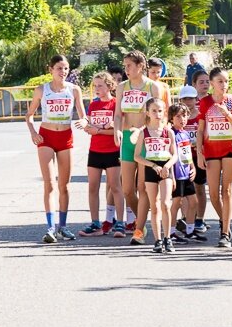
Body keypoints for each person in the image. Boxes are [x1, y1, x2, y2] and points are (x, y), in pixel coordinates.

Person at [27, 55, 88, 243]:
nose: (63, 72)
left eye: (66, 69)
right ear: (51, 69)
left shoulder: (74, 90)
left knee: (64, 185)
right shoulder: (41, 90)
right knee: (50, 183)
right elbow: (29, 116)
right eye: (59, 68)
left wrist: (83, 121)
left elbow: (83, 115)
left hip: (65, 137)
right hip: (46, 136)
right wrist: (33, 133)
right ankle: (50, 227)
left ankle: (63, 226)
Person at [114, 51, 163, 242]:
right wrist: (118, 130)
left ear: (140, 66)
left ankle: (139, 230)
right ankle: (142, 220)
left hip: (145, 138)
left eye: (129, 66)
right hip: (127, 138)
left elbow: (159, 116)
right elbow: (118, 114)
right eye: (125, 65)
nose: (126, 69)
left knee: (142, 187)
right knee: (127, 189)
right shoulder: (121, 87)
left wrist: (142, 130)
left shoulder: (153, 87)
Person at [197, 68, 232, 247]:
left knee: (227, 191)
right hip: (211, 150)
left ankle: (225, 233)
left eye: (226, 81)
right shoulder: (205, 102)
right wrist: (199, 153)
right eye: (220, 81)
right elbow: (200, 130)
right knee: (214, 194)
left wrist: (226, 113)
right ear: (212, 83)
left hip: (230, 150)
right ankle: (225, 221)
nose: (224, 85)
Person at [80, 72, 126, 237]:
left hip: (112, 151)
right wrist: (87, 126)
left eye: (100, 85)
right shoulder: (93, 105)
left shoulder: (115, 104)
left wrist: (98, 130)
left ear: (109, 86)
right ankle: (95, 222)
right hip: (95, 151)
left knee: (115, 187)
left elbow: (118, 130)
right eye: (95, 86)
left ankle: (120, 223)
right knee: (93, 187)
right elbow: (89, 126)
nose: (97, 89)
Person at [133, 98, 177, 253]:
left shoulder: (169, 132)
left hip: (166, 168)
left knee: (166, 204)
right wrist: (152, 165)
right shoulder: (143, 132)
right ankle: (158, 240)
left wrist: (166, 166)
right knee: (155, 206)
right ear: (148, 112)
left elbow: (175, 155)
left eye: (160, 111)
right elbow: (137, 156)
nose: (157, 114)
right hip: (151, 168)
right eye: (154, 111)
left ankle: (168, 238)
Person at [168, 103, 199, 244]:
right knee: (176, 203)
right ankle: (171, 232)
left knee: (193, 202)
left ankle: (190, 231)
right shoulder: (171, 134)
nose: (182, 119)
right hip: (176, 174)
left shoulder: (185, 134)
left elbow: (188, 154)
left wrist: (193, 167)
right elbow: (169, 156)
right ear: (171, 118)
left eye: (185, 115)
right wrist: (171, 176)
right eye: (178, 116)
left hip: (186, 173)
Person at [187, 72, 211, 238]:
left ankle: (199, 219)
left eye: (207, 82)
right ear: (194, 84)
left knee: (199, 187)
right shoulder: (187, 103)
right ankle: (187, 218)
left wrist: (200, 143)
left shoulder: (211, 102)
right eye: (201, 82)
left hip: (202, 153)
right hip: (185, 157)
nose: (205, 84)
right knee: (185, 190)